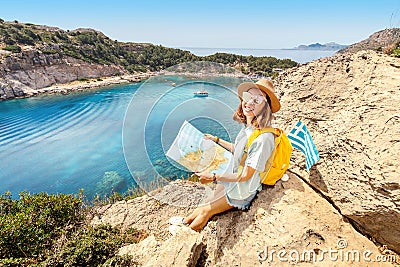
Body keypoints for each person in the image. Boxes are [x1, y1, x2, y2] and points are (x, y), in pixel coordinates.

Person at [169, 78, 281, 232]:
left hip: (244, 189)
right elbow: (241, 151)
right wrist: (216, 140)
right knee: (206, 202)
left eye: (257, 99)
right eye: (248, 97)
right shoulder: (251, 128)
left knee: (206, 210)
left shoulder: (264, 138)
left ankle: (185, 235)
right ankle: (185, 221)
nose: (249, 103)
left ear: (265, 107)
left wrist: (214, 177)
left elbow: (246, 176)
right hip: (236, 181)